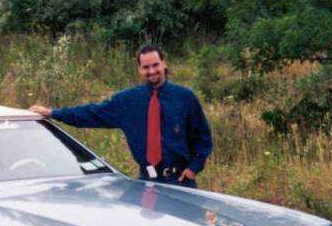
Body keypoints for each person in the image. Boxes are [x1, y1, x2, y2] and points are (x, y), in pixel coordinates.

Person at [29, 44, 213, 188]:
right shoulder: (127, 101)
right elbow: (91, 113)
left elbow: (203, 138)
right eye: (146, 67)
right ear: (139, 69)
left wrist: (193, 168)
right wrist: (53, 113)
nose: (151, 71)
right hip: (146, 182)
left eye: (155, 65)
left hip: (180, 181)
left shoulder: (185, 98)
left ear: (164, 64)